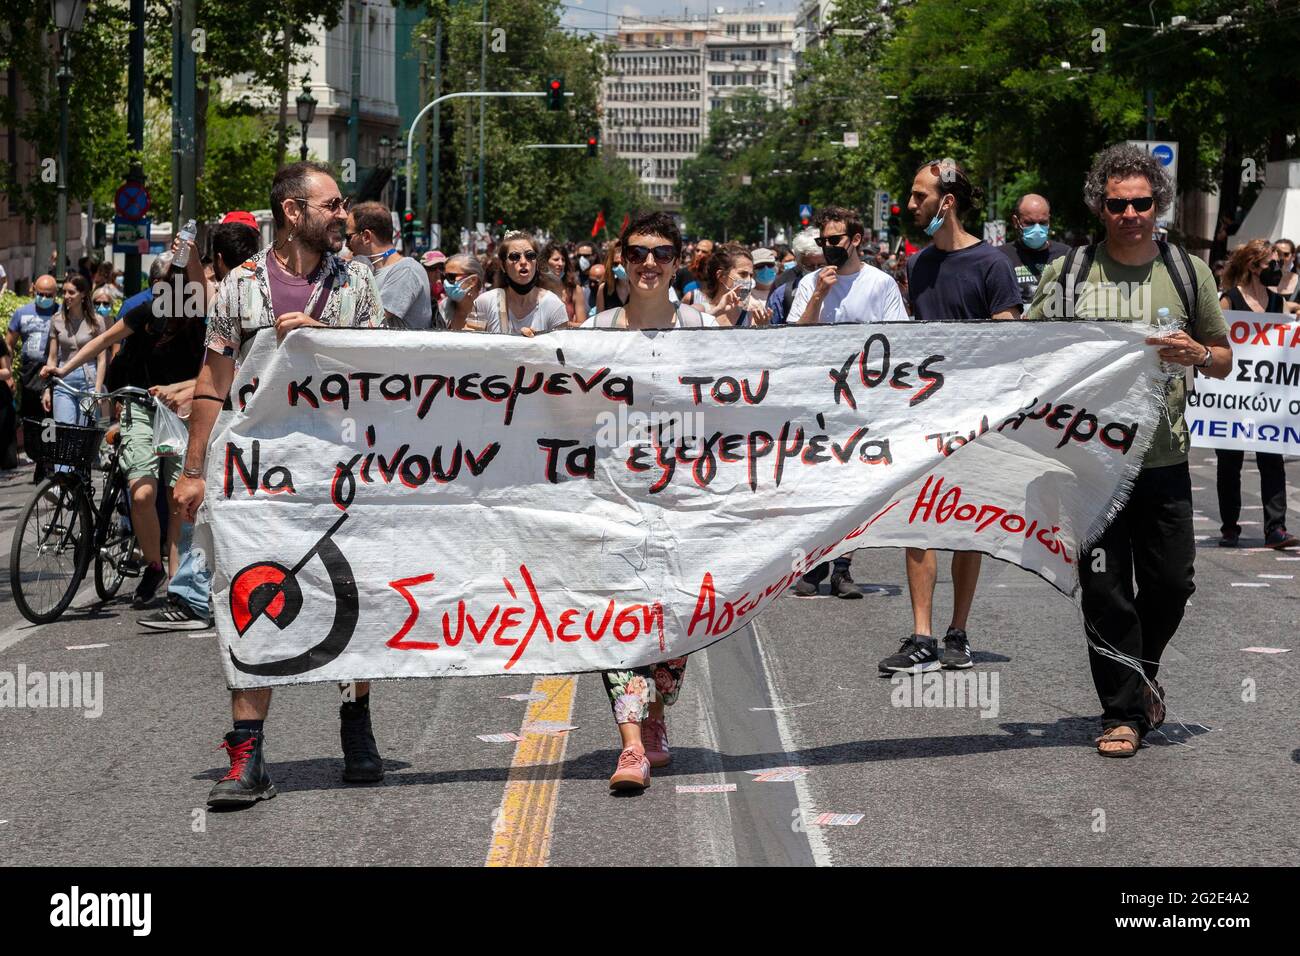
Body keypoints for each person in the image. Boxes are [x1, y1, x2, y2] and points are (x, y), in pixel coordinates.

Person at [172, 161, 386, 806]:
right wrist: (192, 468)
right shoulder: (238, 289)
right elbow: (213, 384)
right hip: (257, 475)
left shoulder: (357, 283)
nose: (342, 215)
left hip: (338, 470)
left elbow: (386, 369)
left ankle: (356, 727)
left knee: (350, 595)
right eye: (332, 205)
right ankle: (247, 756)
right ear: (294, 213)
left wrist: (330, 338)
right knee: (250, 595)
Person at [1027, 142, 1232, 757]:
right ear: (1100, 206)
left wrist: (1199, 354)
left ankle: (1137, 674)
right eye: (1118, 204)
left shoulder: (1186, 272)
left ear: (1158, 204)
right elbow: (1028, 355)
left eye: (1142, 203)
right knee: (1106, 589)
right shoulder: (1067, 274)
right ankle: (1121, 713)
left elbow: (1222, 358)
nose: (1131, 214)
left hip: (1164, 458)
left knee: (1172, 582)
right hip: (1090, 464)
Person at [580, 210, 718, 791]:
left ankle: (657, 714)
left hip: (685, 502)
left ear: (678, 259)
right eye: (637, 252)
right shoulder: (593, 332)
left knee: (672, 618)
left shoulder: (705, 331)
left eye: (662, 253)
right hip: (612, 501)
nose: (649, 264)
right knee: (617, 616)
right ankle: (631, 744)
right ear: (621, 258)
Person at [877, 159, 1021, 677]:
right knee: (917, 520)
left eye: (919, 196)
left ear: (948, 201)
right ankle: (922, 635)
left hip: (977, 419)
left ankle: (957, 631)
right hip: (925, 416)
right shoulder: (918, 266)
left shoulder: (992, 264)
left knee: (964, 525)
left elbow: (1012, 340)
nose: (910, 205)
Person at [43, 233, 210, 607]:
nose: (163, 290)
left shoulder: (201, 313)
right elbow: (101, 342)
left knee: (178, 498)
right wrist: (63, 368)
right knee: (143, 492)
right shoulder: (147, 311)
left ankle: (177, 580)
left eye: (173, 283)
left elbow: (214, 370)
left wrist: (183, 389)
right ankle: (153, 565)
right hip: (142, 407)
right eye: (161, 284)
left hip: (183, 413)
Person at [139, 220, 264, 631]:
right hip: (262, 423)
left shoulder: (229, 295)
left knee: (205, 508)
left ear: (221, 261)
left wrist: (191, 391)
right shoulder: (270, 295)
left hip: (227, 421)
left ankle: (194, 597)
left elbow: (227, 368)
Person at [787, 205, 908, 598]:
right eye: (823, 241)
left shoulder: (880, 284)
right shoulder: (810, 282)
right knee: (820, 485)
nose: (828, 247)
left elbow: (898, 342)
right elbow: (792, 340)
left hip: (863, 402)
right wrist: (819, 294)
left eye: (835, 240)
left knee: (855, 489)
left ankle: (842, 566)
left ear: (855, 239)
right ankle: (820, 559)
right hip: (819, 403)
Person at [1213, 239, 1299, 549]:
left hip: (1266, 396)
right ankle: (1229, 525)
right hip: (1232, 396)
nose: (1277, 270)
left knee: (1271, 459)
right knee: (1229, 461)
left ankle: (1275, 528)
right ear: (1253, 267)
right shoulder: (1230, 302)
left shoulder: (1278, 304)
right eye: (1271, 265)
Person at [5, 273, 59, 480]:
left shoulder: (60, 313)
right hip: (29, 374)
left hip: (51, 372)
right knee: (31, 420)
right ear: (33, 291)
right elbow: (8, 344)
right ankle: (38, 457)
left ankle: (47, 463)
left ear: (55, 294)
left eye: (48, 294)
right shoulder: (22, 313)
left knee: (49, 420)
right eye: (40, 293)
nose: (44, 297)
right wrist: (9, 371)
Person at [346, 201, 432, 329]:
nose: (346, 244)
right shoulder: (373, 270)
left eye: (348, 237)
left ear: (366, 236)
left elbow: (370, 322)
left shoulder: (406, 269)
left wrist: (314, 325)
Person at [42, 273, 107, 430]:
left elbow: (102, 359)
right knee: (65, 433)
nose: (66, 296)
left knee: (86, 436)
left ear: (83, 294)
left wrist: (97, 390)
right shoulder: (57, 320)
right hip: (64, 382)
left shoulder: (97, 321)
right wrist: (46, 389)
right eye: (64, 292)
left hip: (89, 382)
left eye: (71, 292)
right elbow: (52, 358)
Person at [472, 232, 569, 336]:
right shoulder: (484, 302)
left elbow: (562, 349)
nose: (523, 261)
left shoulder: (554, 305)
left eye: (530, 255)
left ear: (536, 263)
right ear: (503, 265)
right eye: (514, 257)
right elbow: (474, 347)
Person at [1000, 193, 1072, 305]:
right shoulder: (1001, 257)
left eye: (1043, 223)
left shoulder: (1066, 255)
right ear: (1016, 222)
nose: (1037, 228)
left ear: (1049, 220)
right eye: (1029, 223)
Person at [696, 243, 770, 326]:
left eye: (751, 275)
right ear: (721, 275)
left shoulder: (750, 316)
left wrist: (762, 328)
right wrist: (718, 310)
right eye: (743, 274)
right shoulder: (698, 311)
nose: (749, 280)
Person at [768, 228, 822, 325]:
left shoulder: (841, 286)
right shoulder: (783, 293)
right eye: (810, 266)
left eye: (821, 265)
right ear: (799, 263)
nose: (816, 271)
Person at [436, 253, 484, 330]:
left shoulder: (488, 308)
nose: (445, 282)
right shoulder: (442, 308)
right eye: (443, 277)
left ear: (473, 280)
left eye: (451, 277)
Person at [540, 242, 581, 324]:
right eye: (556, 260)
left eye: (563, 260)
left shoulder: (574, 289)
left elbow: (583, 325)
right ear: (545, 262)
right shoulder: (537, 288)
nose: (560, 264)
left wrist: (563, 325)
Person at [675, 237, 713, 304]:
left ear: (711, 254)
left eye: (704, 252)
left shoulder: (714, 275)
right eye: (697, 250)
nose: (699, 254)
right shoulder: (683, 272)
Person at [594, 241, 630, 313]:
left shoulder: (641, 288)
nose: (620, 267)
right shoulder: (603, 289)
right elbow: (599, 321)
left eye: (623, 263)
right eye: (616, 264)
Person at [1270, 239, 1298, 304]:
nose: (1281, 258)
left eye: (1285, 254)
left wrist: (1296, 307)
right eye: (1278, 254)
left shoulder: (1298, 281)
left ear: (1293, 256)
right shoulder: (1261, 278)